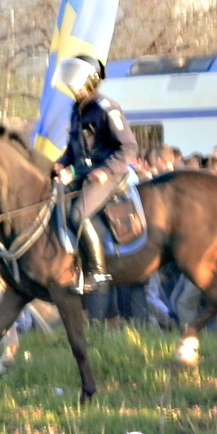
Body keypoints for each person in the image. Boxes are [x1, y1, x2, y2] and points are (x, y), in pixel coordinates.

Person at [52, 54, 138, 295]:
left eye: (76, 84)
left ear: (90, 82)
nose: (72, 89)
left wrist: (106, 170)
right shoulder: (76, 110)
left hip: (108, 173)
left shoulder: (106, 108)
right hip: (84, 173)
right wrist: (60, 164)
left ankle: (98, 272)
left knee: (78, 214)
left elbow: (129, 147)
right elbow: (74, 147)